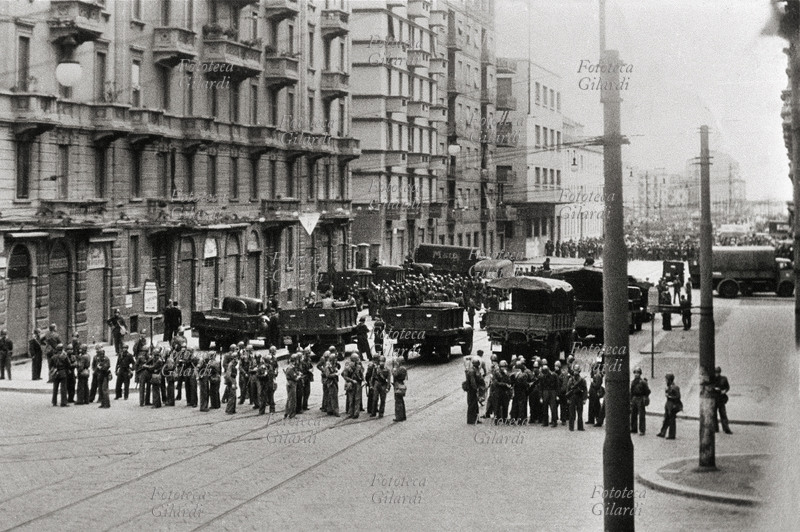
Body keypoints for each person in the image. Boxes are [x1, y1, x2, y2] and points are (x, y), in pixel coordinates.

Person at [657, 373, 681, 439]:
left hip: (672, 404)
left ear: (669, 380)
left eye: (666, 379)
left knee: (672, 420)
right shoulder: (669, 386)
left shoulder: (675, 387)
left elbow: (678, 396)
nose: (665, 381)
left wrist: (670, 396)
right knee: (666, 418)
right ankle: (663, 432)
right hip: (668, 404)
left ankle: (671, 435)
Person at [629, 368, 651, 435]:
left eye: (638, 373)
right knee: (633, 414)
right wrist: (631, 400)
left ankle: (642, 430)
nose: (636, 374)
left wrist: (644, 396)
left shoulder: (643, 382)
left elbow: (647, 391)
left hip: (640, 398)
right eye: (635, 373)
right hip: (634, 398)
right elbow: (631, 391)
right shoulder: (633, 382)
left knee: (641, 415)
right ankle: (633, 428)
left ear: (640, 374)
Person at [712, 366, 732, 434]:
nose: (716, 374)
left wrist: (724, 391)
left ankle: (726, 428)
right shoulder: (712, 379)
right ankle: (715, 428)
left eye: (717, 373)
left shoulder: (724, 379)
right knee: (714, 415)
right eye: (715, 373)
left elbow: (727, 387)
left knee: (723, 414)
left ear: (719, 372)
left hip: (721, 398)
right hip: (714, 398)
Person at [567, 365, 587, 431]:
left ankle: (580, 427)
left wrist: (584, 399)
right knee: (571, 413)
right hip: (572, 396)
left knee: (580, 413)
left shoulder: (582, 380)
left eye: (577, 371)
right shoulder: (570, 380)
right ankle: (571, 427)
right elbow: (568, 389)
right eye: (575, 371)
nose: (576, 372)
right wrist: (568, 398)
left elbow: (585, 390)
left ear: (579, 371)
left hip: (579, 397)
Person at [465, 358, 484, 425]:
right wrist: (476, 389)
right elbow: (473, 382)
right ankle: (471, 421)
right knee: (472, 405)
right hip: (472, 390)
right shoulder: (472, 371)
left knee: (475, 405)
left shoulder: (473, 370)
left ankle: (475, 419)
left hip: (473, 390)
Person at [285, 354, 300, 419]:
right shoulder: (291, 368)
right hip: (292, 383)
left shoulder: (291, 367)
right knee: (292, 399)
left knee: (289, 398)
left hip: (291, 383)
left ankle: (287, 412)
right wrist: (299, 376)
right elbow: (295, 378)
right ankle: (291, 414)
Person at [393, 358, 407, 422]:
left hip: (398, 384)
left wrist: (394, 370)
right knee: (401, 400)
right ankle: (403, 415)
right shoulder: (404, 369)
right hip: (402, 384)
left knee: (398, 401)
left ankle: (399, 417)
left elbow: (395, 375)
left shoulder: (399, 369)